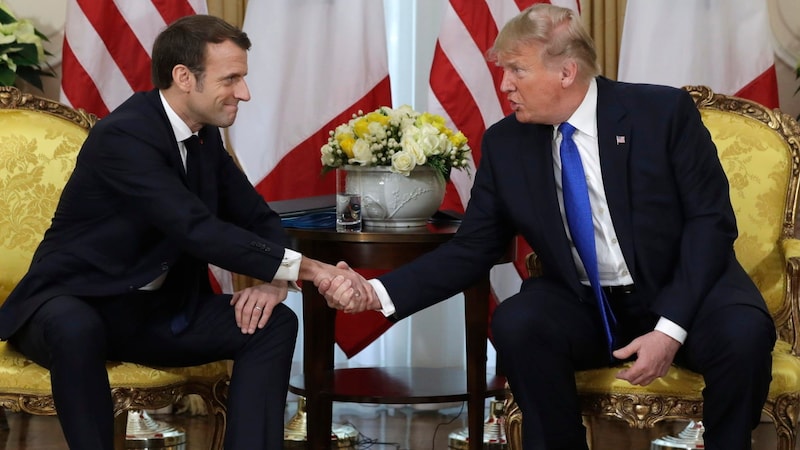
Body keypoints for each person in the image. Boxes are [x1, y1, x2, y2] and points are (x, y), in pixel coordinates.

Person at [318, 4, 776, 450]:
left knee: (744, 334)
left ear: (566, 72)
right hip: (586, 302)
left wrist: (669, 329)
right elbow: (472, 249)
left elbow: (710, 223)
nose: (504, 85)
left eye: (517, 70)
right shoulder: (506, 142)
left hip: (684, 291)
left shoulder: (660, 113)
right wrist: (375, 293)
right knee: (520, 322)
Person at [0, 14, 372, 450]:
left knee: (273, 324)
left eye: (243, 78)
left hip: (155, 313)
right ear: (184, 77)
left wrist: (276, 282)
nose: (244, 93)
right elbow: (196, 230)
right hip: (72, 301)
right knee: (76, 326)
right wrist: (315, 272)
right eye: (231, 78)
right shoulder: (123, 136)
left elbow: (257, 216)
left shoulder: (203, 136)